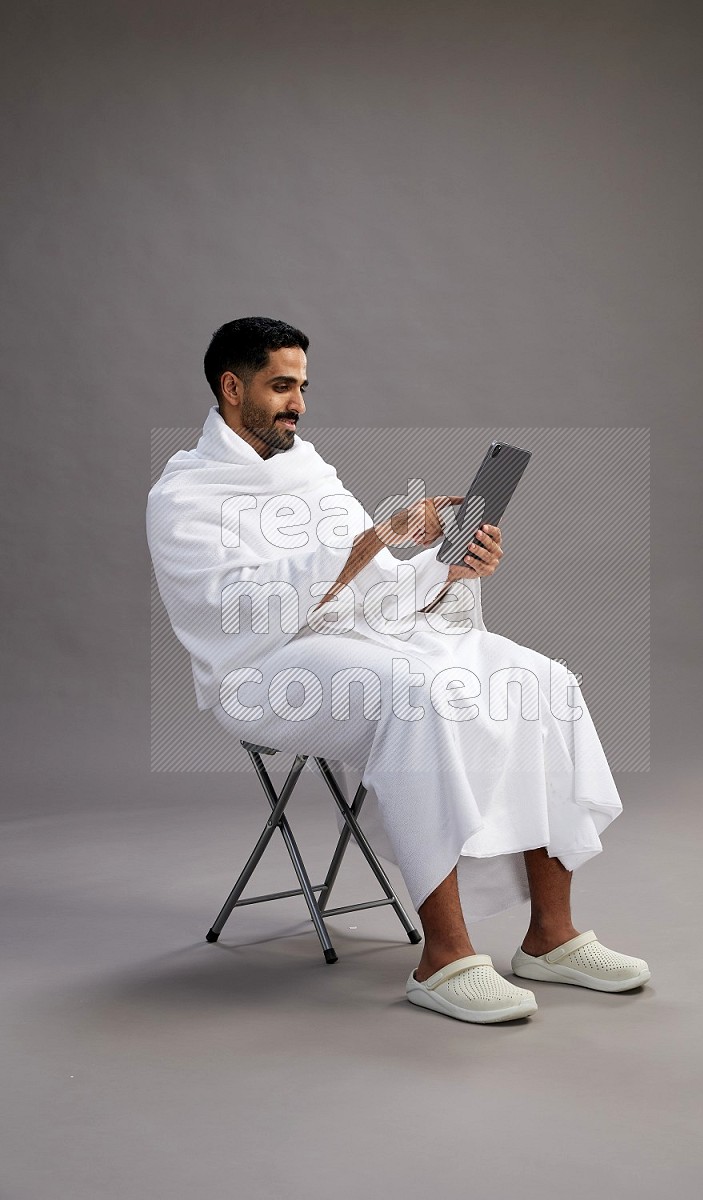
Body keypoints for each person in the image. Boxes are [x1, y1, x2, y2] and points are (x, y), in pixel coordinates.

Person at [146, 316, 650, 1025]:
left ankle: (550, 937)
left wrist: (446, 569)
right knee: (414, 693)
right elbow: (238, 611)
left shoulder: (310, 471)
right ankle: (443, 957)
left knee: (540, 679)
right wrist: (378, 534)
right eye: (281, 386)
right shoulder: (182, 496)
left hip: (357, 639)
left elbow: (377, 587)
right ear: (232, 388)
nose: (298, 403)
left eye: (303, 387)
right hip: (262, 671)